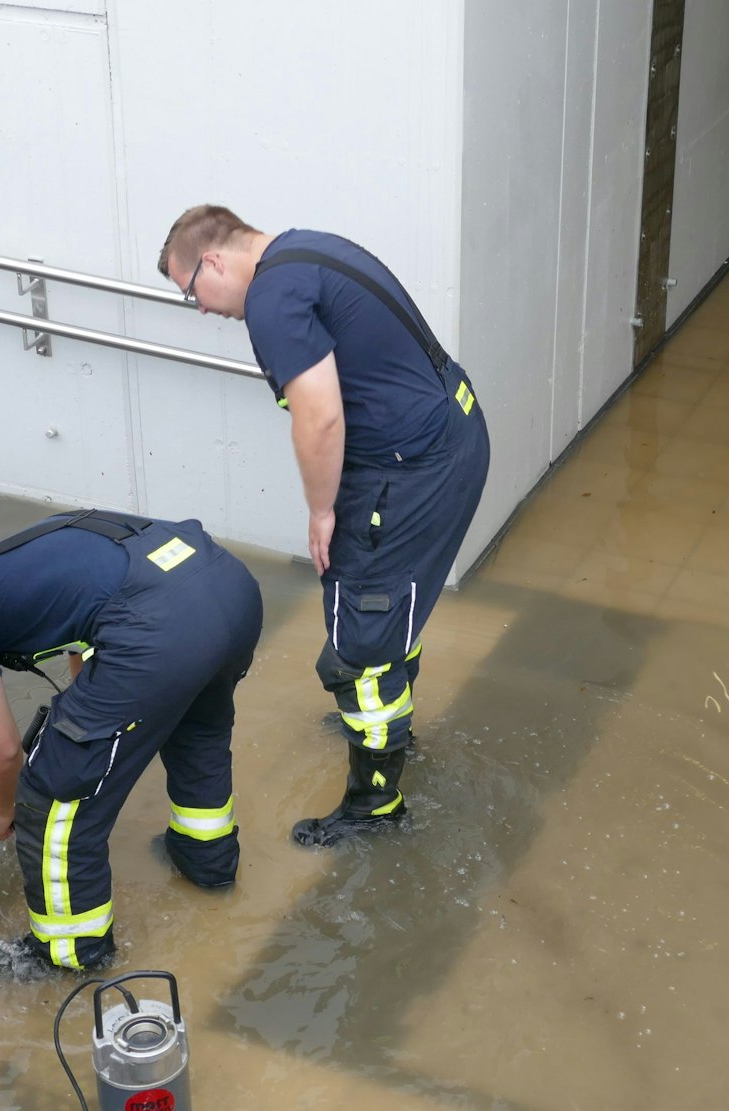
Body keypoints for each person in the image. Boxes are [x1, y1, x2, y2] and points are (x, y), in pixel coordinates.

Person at [156, 206, 491, 847]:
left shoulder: (272, 300)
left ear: (216, 261)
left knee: (358, 640)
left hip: (408, 467)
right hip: (454, 430)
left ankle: (375, 806)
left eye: (192, 290)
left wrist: (321, 510)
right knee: (394, 600)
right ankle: (390, 726)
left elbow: (320, 419)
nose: (199, 308)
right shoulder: (306, 249)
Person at [0, 508, 262, 973]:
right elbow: (85, 638)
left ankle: (70, 953)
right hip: (226, 587)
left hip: (160, 628)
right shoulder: (39, 554)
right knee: (196, 732)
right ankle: (206, 861)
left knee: (53, 795)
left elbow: (1, 748)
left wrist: (3, 806)